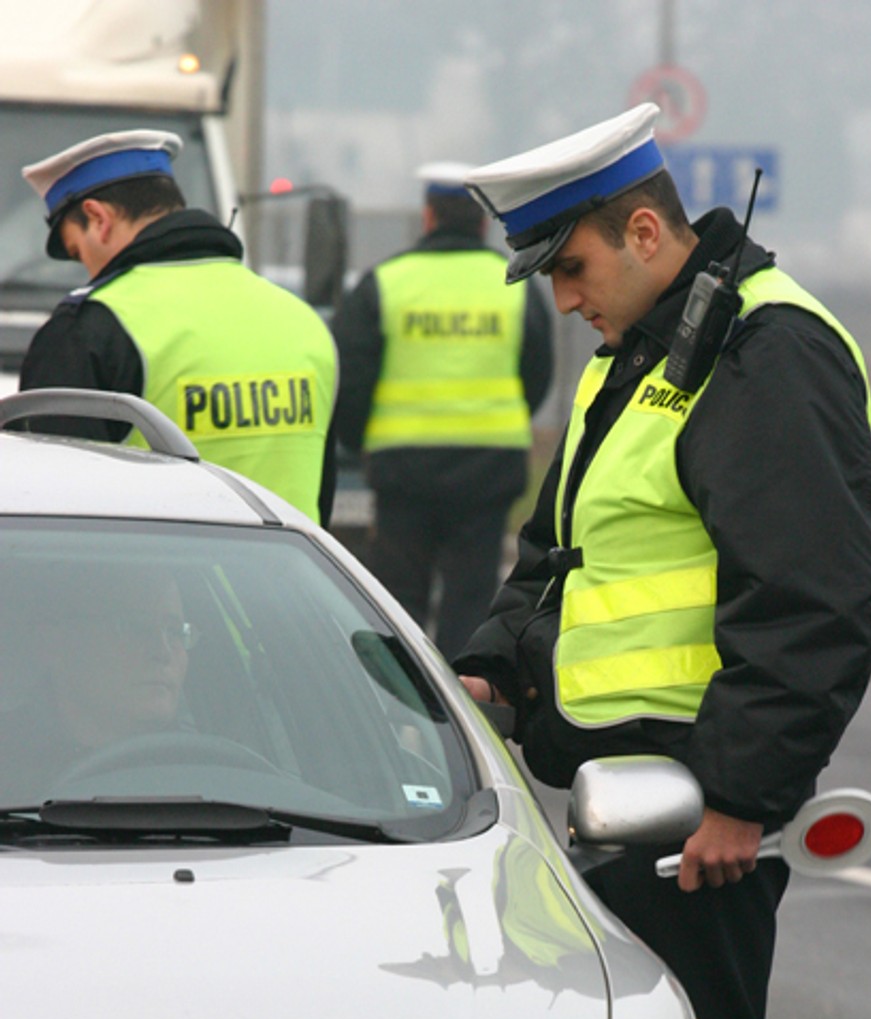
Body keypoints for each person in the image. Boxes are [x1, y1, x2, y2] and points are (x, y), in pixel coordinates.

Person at [455, 103, 871, 1019]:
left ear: (645, 231)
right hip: (595, 816)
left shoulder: (764, 354)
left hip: (688, 831)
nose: (564, 301)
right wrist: (489, 676)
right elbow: (563, 561)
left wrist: (741, 803)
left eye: (572, 268)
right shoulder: (643, 354)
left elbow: (820, 597)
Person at [18, 129, 338, 526]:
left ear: (99, 219)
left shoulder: (90, 327)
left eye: (76, 251)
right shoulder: (302, 322)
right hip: (282, 584)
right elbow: (320, 497)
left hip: (154, 587)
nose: (85, 267)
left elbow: (45, 512)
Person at [331, 160, 554, 658]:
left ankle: (398, 706)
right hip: (488, 467)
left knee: (397, 599)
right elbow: (537, 372)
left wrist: (360, 439)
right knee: (471, 598)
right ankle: (462, 701)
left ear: (428, 216)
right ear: (481, 222)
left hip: (403, 467)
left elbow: (351, 371)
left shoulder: (386, 281)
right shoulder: (514, 284)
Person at [2, 564, 194, 794]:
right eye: (134, 627)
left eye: (174, 632)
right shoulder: (9, 762)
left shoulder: (206, 767)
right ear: (53, 643)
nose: (162, 652)